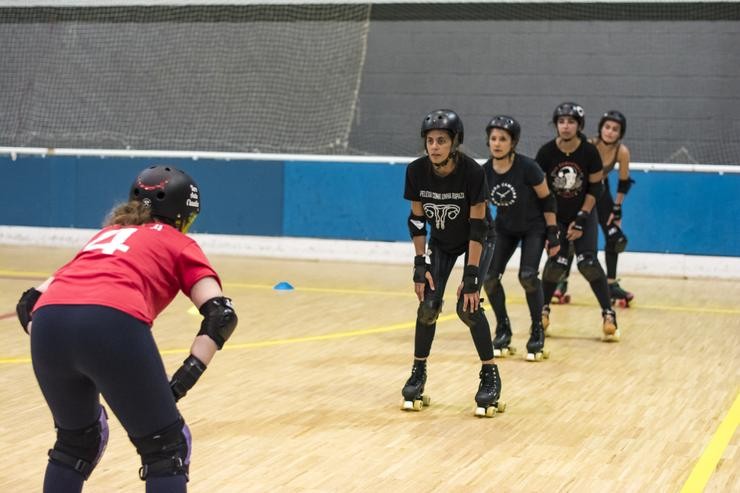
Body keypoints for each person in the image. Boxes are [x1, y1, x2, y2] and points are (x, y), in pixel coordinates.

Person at [15, 165, 238, 492]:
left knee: (76, 442)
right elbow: (220, 316)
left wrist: (62, 343)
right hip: (110, 323)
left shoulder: (105, 236)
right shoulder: (179, 243)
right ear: (181, 216)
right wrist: (181, 381)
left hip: (49, 324)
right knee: (166, 448)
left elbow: (29, 302)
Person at [402, 109, 504, 417]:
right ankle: (418, 373)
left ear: (454, 143)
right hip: (442, 243)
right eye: (430, 141)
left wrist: (472, 276)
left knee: (467, 306)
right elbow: (418, 221)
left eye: (441, 141)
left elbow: (477, 227)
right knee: (427, 306)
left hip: (478, 238)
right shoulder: (416, 171)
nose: (434, 147)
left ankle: (490, 375)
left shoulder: (473, 172)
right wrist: (420, 264)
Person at [535, 102, 619, 341]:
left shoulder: (588, 152)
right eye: (561, 121)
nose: (565, 126)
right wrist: (549, 226)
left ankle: (608, 313)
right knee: (556, 264)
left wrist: (582, 218)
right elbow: (540, 191)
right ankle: (542, 311)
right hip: (556, 217)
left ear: (579, 125)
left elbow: (596, 187)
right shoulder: (546, 152)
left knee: (588, 263)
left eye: (571, 122)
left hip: (584, 213)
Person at [482, 115, 561, 361]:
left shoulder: (528, 167)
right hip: (504, 229)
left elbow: (547, 199)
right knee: (490, 278)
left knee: (527, 276)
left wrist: (553, 233)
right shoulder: (484, 171)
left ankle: (537, 329)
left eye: (502, 139)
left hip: (533, 228)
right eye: (493, 138)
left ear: (513, 142)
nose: (497, 143)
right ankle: (503, 328)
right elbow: (480, 206)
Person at [553, 111, 634, 307]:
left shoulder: (621, 151)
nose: (610, 132)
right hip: (582, 194)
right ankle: (561, 282)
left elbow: (624, 183)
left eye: (615, 129)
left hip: (602, 194)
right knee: (573, 237)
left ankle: (611, 284)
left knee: (616, 239)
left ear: (620, 133)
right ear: (600, 128)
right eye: (607, 127)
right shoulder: (589, 145)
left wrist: (617, 209)